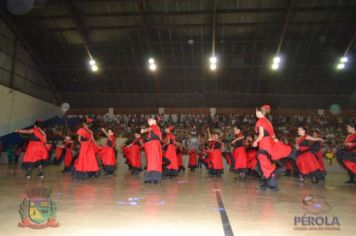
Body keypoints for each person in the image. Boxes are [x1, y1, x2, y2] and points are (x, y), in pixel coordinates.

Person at [253, 105, 292, 191]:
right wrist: (279, 145)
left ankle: (272, 185)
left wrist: (255, 142)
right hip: (269, 144)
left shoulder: (261, 121)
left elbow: (261, 135)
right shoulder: (268, 122)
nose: (255, 113)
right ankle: (267, 184)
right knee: (264, 165)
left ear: (259, 112)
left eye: (256, 112)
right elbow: (273, 136)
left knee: (265, 165)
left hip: (264, 144)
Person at [141, 117, 162, 184]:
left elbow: (150, 128)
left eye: (150, 121)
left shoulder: (155, 127)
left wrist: (143, 130)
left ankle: (153, 178)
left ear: (154, 121)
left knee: (153, 161)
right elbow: (149, 136)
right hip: (154, 145)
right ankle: (151, 178)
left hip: (154, 145)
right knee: (152, 161)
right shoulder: (154, 128)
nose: (149, 122)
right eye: (148, 121)